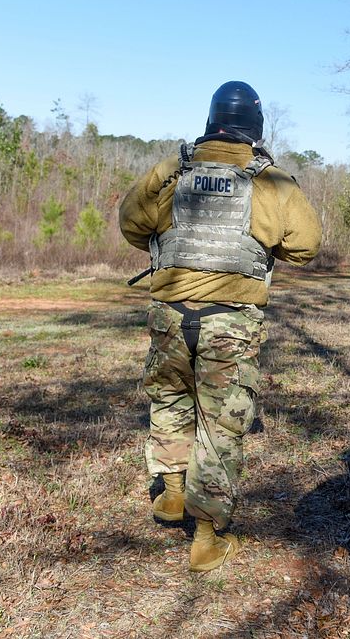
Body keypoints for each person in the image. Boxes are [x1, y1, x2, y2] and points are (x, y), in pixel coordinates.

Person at [119, 81, 322, 572]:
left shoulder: (171, 171)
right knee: (221, 423)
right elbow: (307, 246)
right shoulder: (271, 182)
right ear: (255, 127)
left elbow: (131, 225)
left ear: (211, 120)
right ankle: (206, 536)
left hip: (169, 315)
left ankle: (170, 493)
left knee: (170, 400)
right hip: (230, 324)